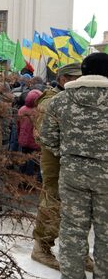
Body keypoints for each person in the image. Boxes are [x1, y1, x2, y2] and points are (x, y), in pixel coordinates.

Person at [39, 59, 106, 276]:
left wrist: (69, 154)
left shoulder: (60, 101)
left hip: (72, 174)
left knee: (72, 231)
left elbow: (47, 138)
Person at [30, 63, 84, 270]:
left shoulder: (74, 98)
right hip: (56, 161)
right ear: (63, 79)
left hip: (74, 161)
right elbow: (44, 136)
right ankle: (41, 247)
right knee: (53, 201)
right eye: (75, 78)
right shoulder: (51, 100)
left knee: (78, 207)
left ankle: (77, 251)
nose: (79, 82)